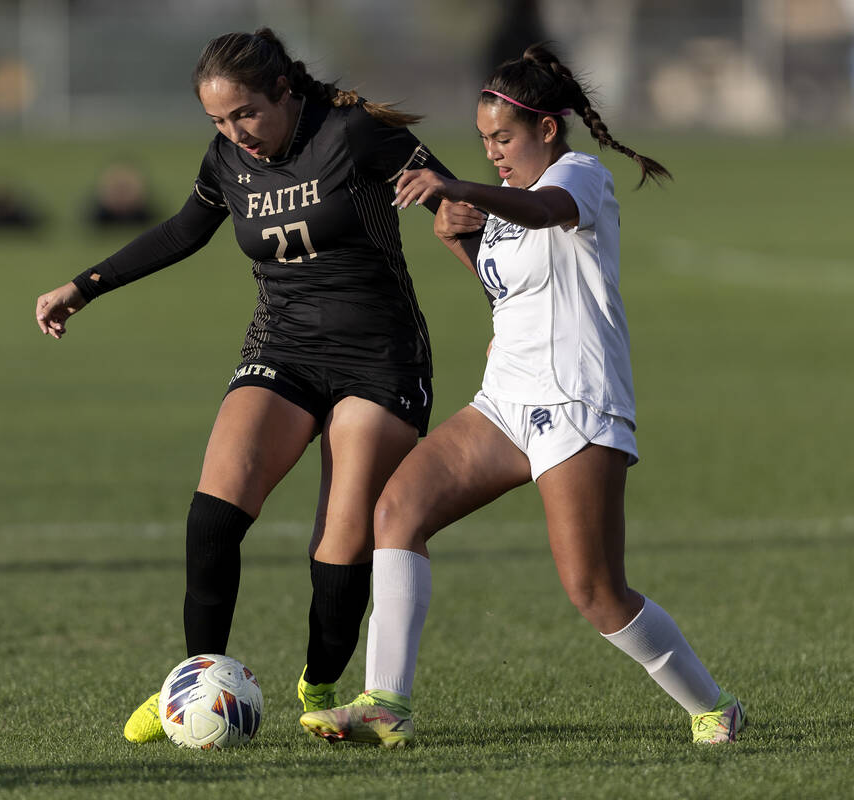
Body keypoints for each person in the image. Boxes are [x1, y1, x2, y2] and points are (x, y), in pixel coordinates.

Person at [34, 28, 476, 743]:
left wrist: (509, 308)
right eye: (217, 121)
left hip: (379, 356)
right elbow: (183, 230)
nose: (234, 133)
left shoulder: (353, 134)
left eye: (245, 114)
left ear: (284, 92)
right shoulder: (228, 161)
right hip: (283, 346)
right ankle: (193, 685)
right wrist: (83, 288)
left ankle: (321, 683)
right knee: (213, 515)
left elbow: (459, 211)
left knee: (339, 544)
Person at [299, 43, 745, 748]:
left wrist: (462, 193)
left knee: (594, 591)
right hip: (505, 400)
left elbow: (547, 213)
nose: (494, 153)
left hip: (576, 404)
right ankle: (388, 701)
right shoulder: (507, 202)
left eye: (502, 138)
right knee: (397, 509)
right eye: (483, 142)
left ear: (545, 128)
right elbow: (508, 289)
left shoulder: (580, 176)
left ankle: (714, 707)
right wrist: (460, 240)